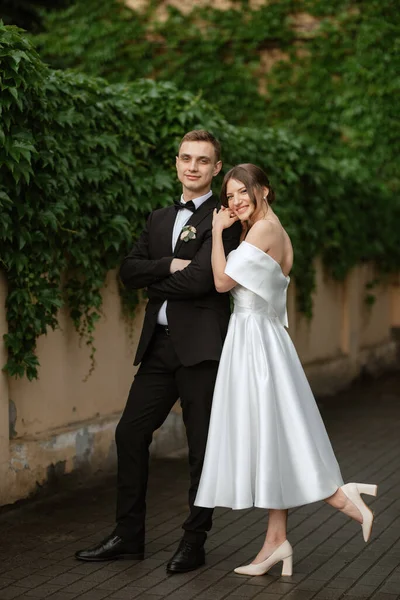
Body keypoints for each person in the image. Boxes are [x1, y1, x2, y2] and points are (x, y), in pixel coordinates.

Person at [194, 163, 378, 577]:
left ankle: (340, 496)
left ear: (265, 191)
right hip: (258, 340)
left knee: (277, 436)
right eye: (229, 196)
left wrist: (215, 235)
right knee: (271, 440)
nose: (235, 201)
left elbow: (223, 283)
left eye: (243, 192)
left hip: (255, 344)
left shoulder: (263, 231)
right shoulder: (269, 229)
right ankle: (276, 542)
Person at [75, 130, 241, 574]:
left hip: (202, 350)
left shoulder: (225, 220)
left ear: (216, 168)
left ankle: (194, 541)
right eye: (186, 158)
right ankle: (128, 536)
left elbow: (204, 280)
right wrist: (166, 265)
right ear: (175, 163)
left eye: (203, 161)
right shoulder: (156, 218)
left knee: (200, 450)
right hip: (157, 349)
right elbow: (128, 272)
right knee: (130, 433)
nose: (193, 167)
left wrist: (157, 279)